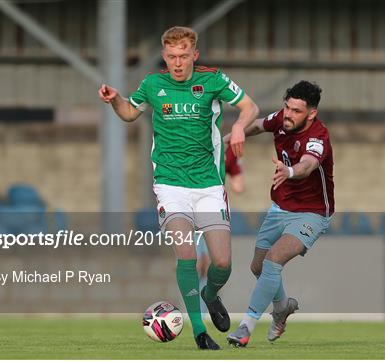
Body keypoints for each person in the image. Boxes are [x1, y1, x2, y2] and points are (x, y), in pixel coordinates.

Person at [98, 26, 259, 350]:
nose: (177, 62)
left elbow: (250, 107)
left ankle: (210, 294)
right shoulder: (153, 84)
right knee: (186, 254)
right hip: (170, 185)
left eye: (183, 55)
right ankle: (200, 331)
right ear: (165, 56)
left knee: (222, 264)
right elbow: (130, 113)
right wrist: (116, 100)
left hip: (208, 185)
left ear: (194, 55)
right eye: (171, 56)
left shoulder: (213, 79)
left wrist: (240, 126)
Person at [224, 81, 334, 347]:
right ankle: (283, 306)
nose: (288, 114)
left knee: (273, 260)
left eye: (296, 111)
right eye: (287, 107)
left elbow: (307, 165)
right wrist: (226, 138)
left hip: (311, 213)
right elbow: (259, 125)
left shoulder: (318, 137)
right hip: (279, 208)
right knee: (258, 267)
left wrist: (291, 171)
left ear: (311, 114)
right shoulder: (281, 120)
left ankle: (245, 327)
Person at [197, 146, 245, 314]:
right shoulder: (229, 149)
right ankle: (205, 312)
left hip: (189, 204)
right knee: (211, 264)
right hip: (213, 208)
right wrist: (236, 164)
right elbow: (239, 187)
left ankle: (198, 314)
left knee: (198, 264)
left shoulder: (188, 135)